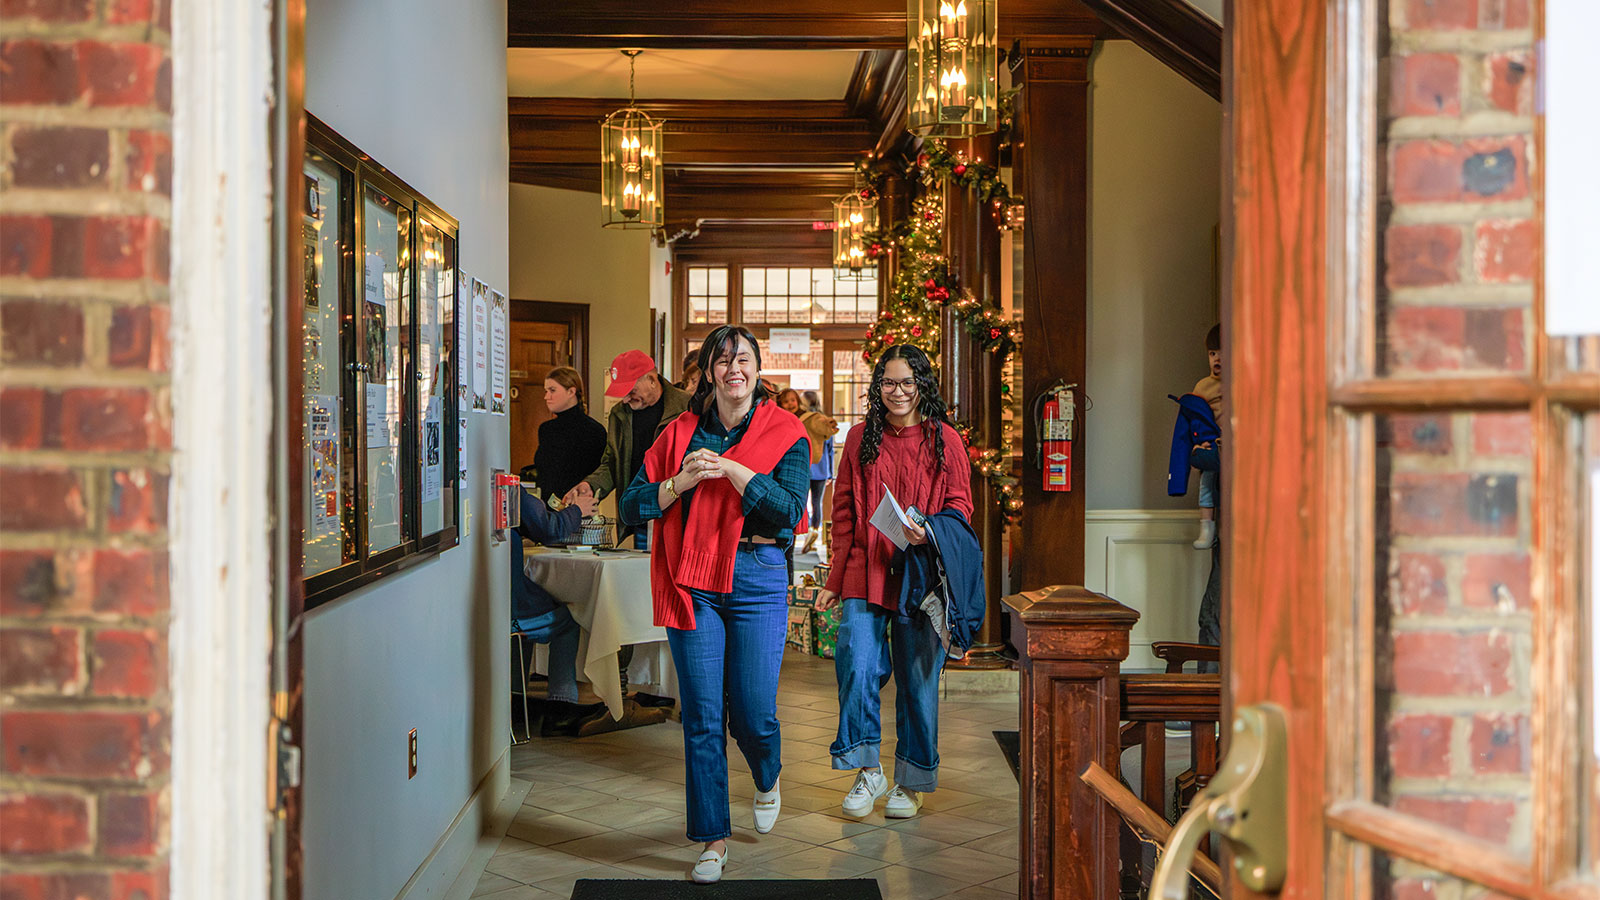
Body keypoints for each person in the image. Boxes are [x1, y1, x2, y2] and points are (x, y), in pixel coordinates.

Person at [620, 325, 810, 884]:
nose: (733, 369)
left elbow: (788, 511)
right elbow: (633, 504)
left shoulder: (785, 431)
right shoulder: (678, 433)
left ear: (757, 369)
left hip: (757, 577)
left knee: (752, 712)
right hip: (694, 579)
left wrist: (733, 470)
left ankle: (767, 773)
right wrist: (679, 482)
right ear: (708, 372)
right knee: (702, 715)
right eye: (722, 361)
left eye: (743, 359)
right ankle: (712, 839)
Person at [815, 344, 972, 820]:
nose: (898, 392)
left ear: (923, 385)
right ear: (876, 386)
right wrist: (837, 578)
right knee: (857, 662)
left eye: (908, 383)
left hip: (923, 576)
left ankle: (912, 778)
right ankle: (868, 768)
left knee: (918, 682)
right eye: (889, 382)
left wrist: (931, 529)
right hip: (867, 569)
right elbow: (842, 513)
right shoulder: (862, 436)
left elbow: (961, 507)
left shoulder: (945, 439)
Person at [564, 350, 691, 548]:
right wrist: (590, 485)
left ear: (651, 379)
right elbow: (612, 463)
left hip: (679, 515)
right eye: (622, 394)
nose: (625, 400)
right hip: (639, 514)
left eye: (631, 391)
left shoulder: (687, 407)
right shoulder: (619, 415)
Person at [510, 485, 599, 735]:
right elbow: (548, 528)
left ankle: (516, 701)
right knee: (569, 618)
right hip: (507, 613)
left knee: (534, 604)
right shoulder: (503, 482)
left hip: (485, 608)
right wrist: (577, 510)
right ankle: (561, 707)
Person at [775, 388, 838, 555]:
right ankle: (811, 530)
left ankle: (812, 531)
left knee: (810, 502)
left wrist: (831, 472)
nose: (790, 404)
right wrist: (830, 472)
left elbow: (826, 432)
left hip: (813, 468)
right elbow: (830, 448)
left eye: (793, 400)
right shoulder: (780, 419)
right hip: (814, 469)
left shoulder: (810, 419)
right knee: (808, 502)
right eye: (786, 401)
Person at [532, 366, 606, 503]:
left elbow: (600, 477)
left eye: (552, 390)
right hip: (547, 513)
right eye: (546, 391)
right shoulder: (546, 430)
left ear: (571, 391)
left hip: (579, 512)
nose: (546, 396)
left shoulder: (594, 431)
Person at [1191, 324, 1223, 549]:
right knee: (1207, 482)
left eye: (1222, 353)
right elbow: (1194, 418)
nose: (1216, 359)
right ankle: (1206, 526)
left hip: (1236, 445)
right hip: (1212, 444)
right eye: (1212, 354)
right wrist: (1198, 443)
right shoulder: (1203, 386)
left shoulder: (1241, 381)